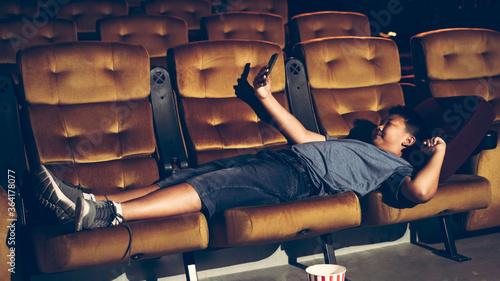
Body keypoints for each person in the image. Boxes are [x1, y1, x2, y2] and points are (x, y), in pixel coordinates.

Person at [34, 65, 446, 231]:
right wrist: (264, 96)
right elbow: (303, 135)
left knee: (213, 189)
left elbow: (421, 193)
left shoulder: (394, 170)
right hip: (282, 159)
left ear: (407, 139)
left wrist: (439, 152)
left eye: (387, 124)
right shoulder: (354, 143)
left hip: (298, 178)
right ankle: (87, 199)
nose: (378, 125)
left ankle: (106, 215)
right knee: (183, 178)